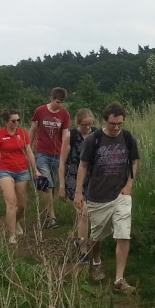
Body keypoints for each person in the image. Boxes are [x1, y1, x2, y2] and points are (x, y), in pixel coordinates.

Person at [74, 102, 141, 293]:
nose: (117, 127)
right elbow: (83, 166)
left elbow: (133, 162)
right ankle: (96, 262)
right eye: (113, 124)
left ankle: (119, 279)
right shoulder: (93, 139)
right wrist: (79, 193)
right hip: (98, 196)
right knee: (96, 237)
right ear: (105, 121)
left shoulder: (128, 138)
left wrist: (129, 184)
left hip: (121, 194)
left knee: (123, 233)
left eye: (120, 123)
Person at [0, 108, 37, 244]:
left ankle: (16, 222)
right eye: (13, 120)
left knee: (22, 205)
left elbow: (29, 151)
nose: (17, 122)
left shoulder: (23, 133)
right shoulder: (0, 135)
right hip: (5, 170)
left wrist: (35, 169)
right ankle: (12, 235)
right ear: (7, 121)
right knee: (11, 202)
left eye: (18, 120)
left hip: (22, 171)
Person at [30, 87, 70, 230]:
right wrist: (28, 147)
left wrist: (67, 151)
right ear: (51, 99)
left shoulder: (65, 114)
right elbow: (33, 129)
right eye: (58, 102)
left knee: (52, 185)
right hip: (41, 152)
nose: (60, 105)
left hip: (57, 153)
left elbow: (65, 135)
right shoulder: (40, 111)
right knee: (46, 183)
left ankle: (48, 209)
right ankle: (52, 218)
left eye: (62, 102)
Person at [59, 107, 95, 252]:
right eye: (84, 124)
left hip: (92, 179)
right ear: (78, 123)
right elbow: (62, 162)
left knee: (90, 215)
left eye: (89, 124)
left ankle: (79, 240)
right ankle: (83, 250)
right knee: (83, 212)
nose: (87, 127)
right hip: (73, 178)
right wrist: (62, 186)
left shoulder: (96, 135)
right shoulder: (71, 135)